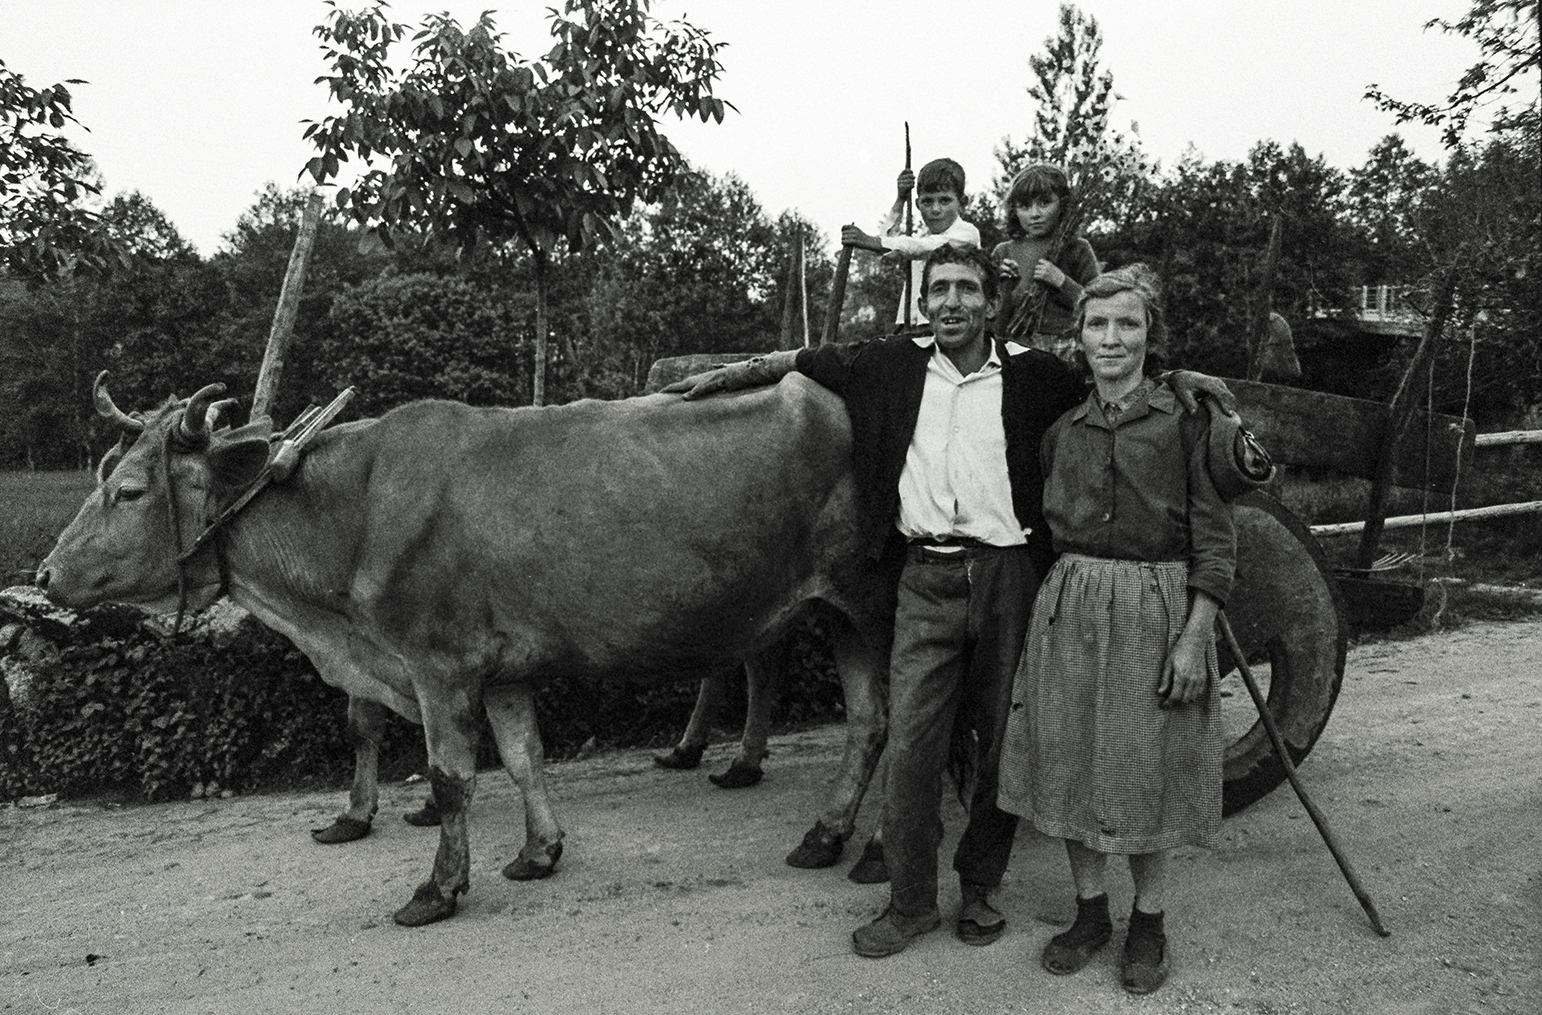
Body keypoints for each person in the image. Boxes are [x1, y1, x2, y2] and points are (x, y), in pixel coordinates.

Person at [666, 246, 1234, 960]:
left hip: (1010, 578)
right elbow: (807, 359)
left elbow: (1118, 375)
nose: (954, 301)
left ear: (991, 303)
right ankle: (908, 904)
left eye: (968, 288)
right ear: (924, 302)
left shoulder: (1035, 376)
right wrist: (725, 376)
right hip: (924, 578)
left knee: (1004, 743)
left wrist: (1184, 381)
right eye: (940, 289)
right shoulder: (893, 365)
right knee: (911, 744)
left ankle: (981, 886)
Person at [996, 264, 1236, 996]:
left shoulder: (1187, 421)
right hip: (1069, 606)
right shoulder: (1062, 431)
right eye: (1098, 324)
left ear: (1149, 335)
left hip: (1156, 608)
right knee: (1068, 761)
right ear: (1080, 335)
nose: (1111, 337)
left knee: (1147, 769)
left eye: (1127, 323)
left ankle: (1150, 923)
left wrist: (1197, 633)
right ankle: (1091, 913)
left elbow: (1217, 539)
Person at [841, 157, 980, 329]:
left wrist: (871, 241)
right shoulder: (922, 239)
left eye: (945, 200)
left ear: (962, 203)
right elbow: (889, 243)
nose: (935, 209)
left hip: (949, 325)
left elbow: (918, 248)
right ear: (918, 204)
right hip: (912, 326)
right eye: (927, 201)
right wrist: (900, 199)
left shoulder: (967, 235)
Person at [992, 163, 1100, 361]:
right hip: (1019, 345)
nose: (1035, 214)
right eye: (1024, 206)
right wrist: (1003, 285)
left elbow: (1097, 305)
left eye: (1044, 203)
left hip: (1066, 345)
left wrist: (1061, 281)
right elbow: (995, 318)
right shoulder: (1004, 252)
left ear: (1062, 205)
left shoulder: (1076, 248)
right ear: (1014, 210)